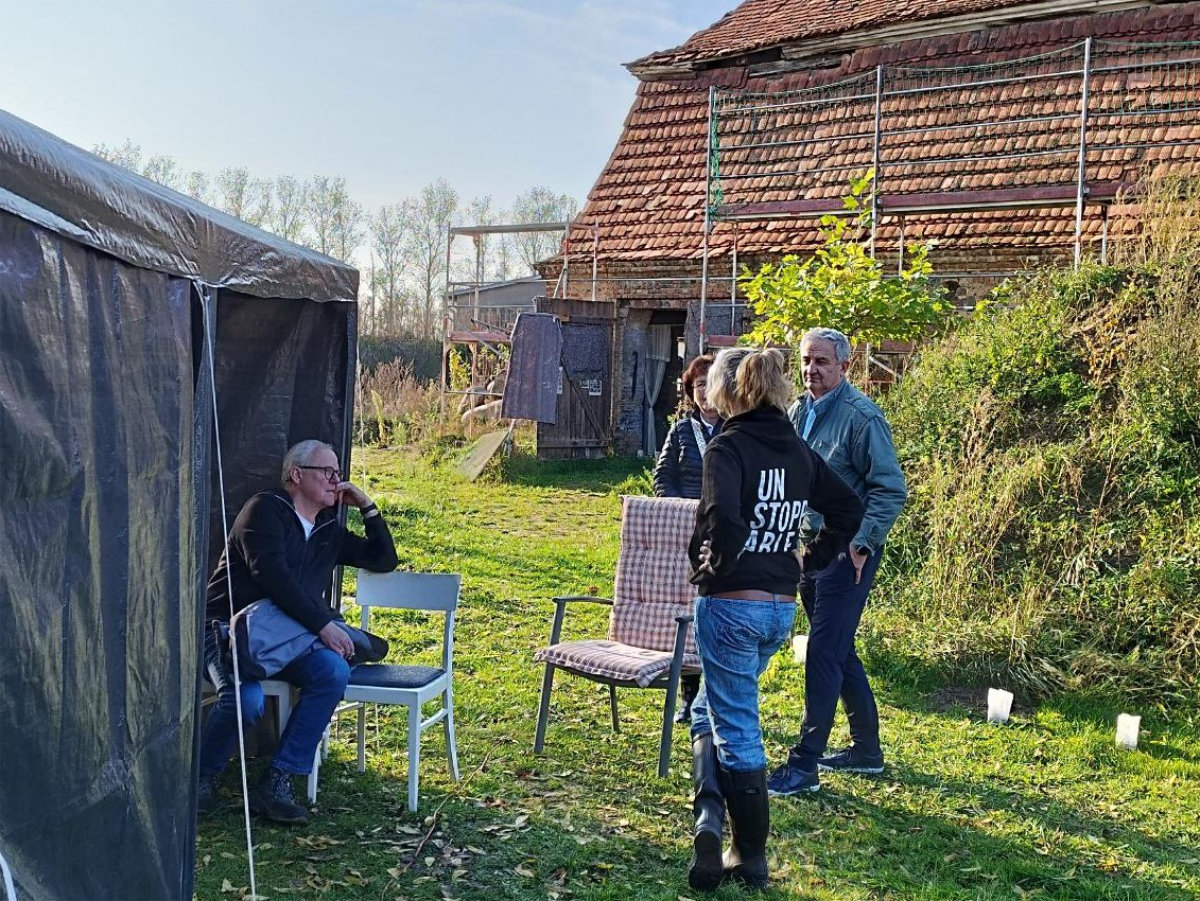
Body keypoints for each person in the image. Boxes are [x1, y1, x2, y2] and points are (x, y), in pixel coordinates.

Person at [686, 347, 863, 892]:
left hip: (732, 604)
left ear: (732, 391)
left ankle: (751, 853)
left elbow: (725, 520)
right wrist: (814, 556)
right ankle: (709, 820)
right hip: (779, 609)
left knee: (737, 728)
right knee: (708, 707)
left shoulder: (727, 446)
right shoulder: (797, 448)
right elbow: (849, 510)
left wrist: (711, 567)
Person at [197, 439, 398, 824]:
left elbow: (383, 559)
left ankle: (278, 781)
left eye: (338, 474)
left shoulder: (328, 531)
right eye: (327, 472)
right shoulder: (264, 510)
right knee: (248, 701)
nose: (335, 480)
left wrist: (368, 507)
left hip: (291, 636)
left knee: (333, 672)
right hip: (227, 631)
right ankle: (202, 778)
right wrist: (324, 625)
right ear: (296, 475)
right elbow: (272, 576)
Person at [766, 327, 908, 797]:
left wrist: (863, 544)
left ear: (845, 366)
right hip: (807, 549)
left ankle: (804, 765)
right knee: (838, 647)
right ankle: (866, 750)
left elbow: (890, 490)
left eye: (822, 362)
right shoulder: (796, 412)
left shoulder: (862, 418)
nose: (811, 370)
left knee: (824, 653)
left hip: (848, 552)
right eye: (806, 360)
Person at [653, 353, 722, 724]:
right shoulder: (680, 431)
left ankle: (714, 696)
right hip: (685, 532)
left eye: (711, 385)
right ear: (690, 392)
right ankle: (687, 697)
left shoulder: (734, 429)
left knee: (715, 613)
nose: (706, 394)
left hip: (722, 531)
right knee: (684, 610)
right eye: (699, 386)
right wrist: (679, 508)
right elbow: (663, 477)